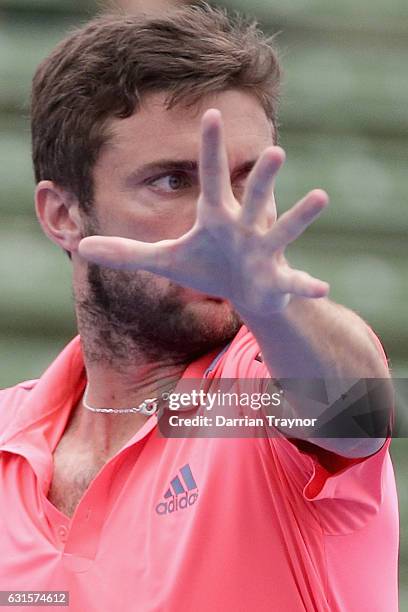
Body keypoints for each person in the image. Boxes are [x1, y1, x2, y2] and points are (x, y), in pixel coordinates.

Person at [0, 3, 398, 611]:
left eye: (245, 180)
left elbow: (357, 411)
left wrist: (268, 303)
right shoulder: (9, 434)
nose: (226, 218)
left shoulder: (254, 394)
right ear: (63, 215)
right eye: (173, 181)